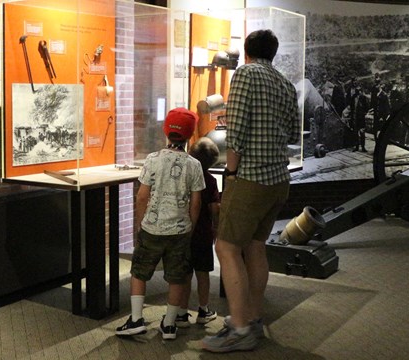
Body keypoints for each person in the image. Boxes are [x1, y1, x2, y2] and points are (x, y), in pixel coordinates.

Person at [201, 29, 300, 353]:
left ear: (247, 52)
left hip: (250, 179)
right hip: (278, 180)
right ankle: (252, 318)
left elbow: (237, 130)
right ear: (273, 52)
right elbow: (292, 130)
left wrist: (230, 173)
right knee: (256, 248)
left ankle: (240, 329)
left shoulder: (245, 73)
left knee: (227, 248)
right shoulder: (284, 82)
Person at [116, 108, 205, 340]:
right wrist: (191, 227)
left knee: (139, 272)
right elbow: (196, 203)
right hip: (180, 231)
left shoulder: (152, 160)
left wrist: (139, 223)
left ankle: (136, 319)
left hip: (151, 229)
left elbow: (142, 196)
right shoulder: (194, 165)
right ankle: (169, 324)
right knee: (177, 276)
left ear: (166, 131)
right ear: (190, 135)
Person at [176, 137, 221, 328]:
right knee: (203, 274)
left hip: (185, 233)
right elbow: (215, 208)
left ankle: (181, 313)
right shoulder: (209, 180)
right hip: (203, 235)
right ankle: (203, 310)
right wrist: (216, 227)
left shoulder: (182, 177)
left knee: (185, 274)